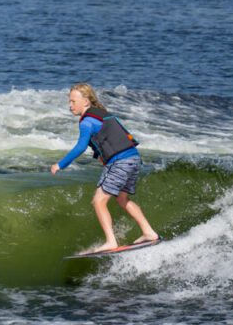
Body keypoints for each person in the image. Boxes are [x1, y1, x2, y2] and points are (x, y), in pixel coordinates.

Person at [50, 83, 158, 253]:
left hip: (120, 162)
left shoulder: (86, 122)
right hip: (133, 159)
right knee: (123, 199)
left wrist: (60, 164)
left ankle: (110, 242)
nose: (70, 105)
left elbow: (80, 147)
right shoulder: (103, 115)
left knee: (98, 201)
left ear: (86, 101)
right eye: (69, 102)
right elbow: (107, 141)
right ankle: (149, 232)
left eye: (73, 101)